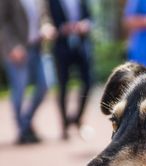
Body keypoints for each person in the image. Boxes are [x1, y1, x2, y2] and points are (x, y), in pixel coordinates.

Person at [0, 0, 55, 144]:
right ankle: (23, 131)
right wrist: (12, 47)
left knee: (45, 84)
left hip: (37, 48)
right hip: (17, 51)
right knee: (19, 91)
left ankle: (26, 122)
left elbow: (44, 16)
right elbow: (3, 23)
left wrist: (46, 26)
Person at [47, 0, 93, 140]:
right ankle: (64, 126)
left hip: (82, 46)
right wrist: (62, 28)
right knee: (63, 86)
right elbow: (48, 22)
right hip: (62, 47)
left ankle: (77, 119)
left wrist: (84, 25)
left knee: (88, 83)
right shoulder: (52, 2)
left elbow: (90, 19)